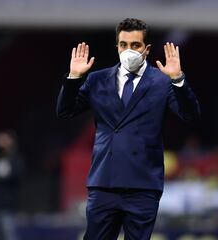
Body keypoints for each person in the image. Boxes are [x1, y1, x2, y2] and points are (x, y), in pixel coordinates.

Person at [56, 18, 200, 240]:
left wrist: (178, 80)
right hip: (104, 183)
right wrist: (74, 77)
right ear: (117, 46)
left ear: (147, 49)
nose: (128, 50)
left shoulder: (162, 82)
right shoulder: (97, 79)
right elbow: (65, 112)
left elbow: (190, 115)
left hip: (143, 186)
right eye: (123, 45)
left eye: (135, 45)